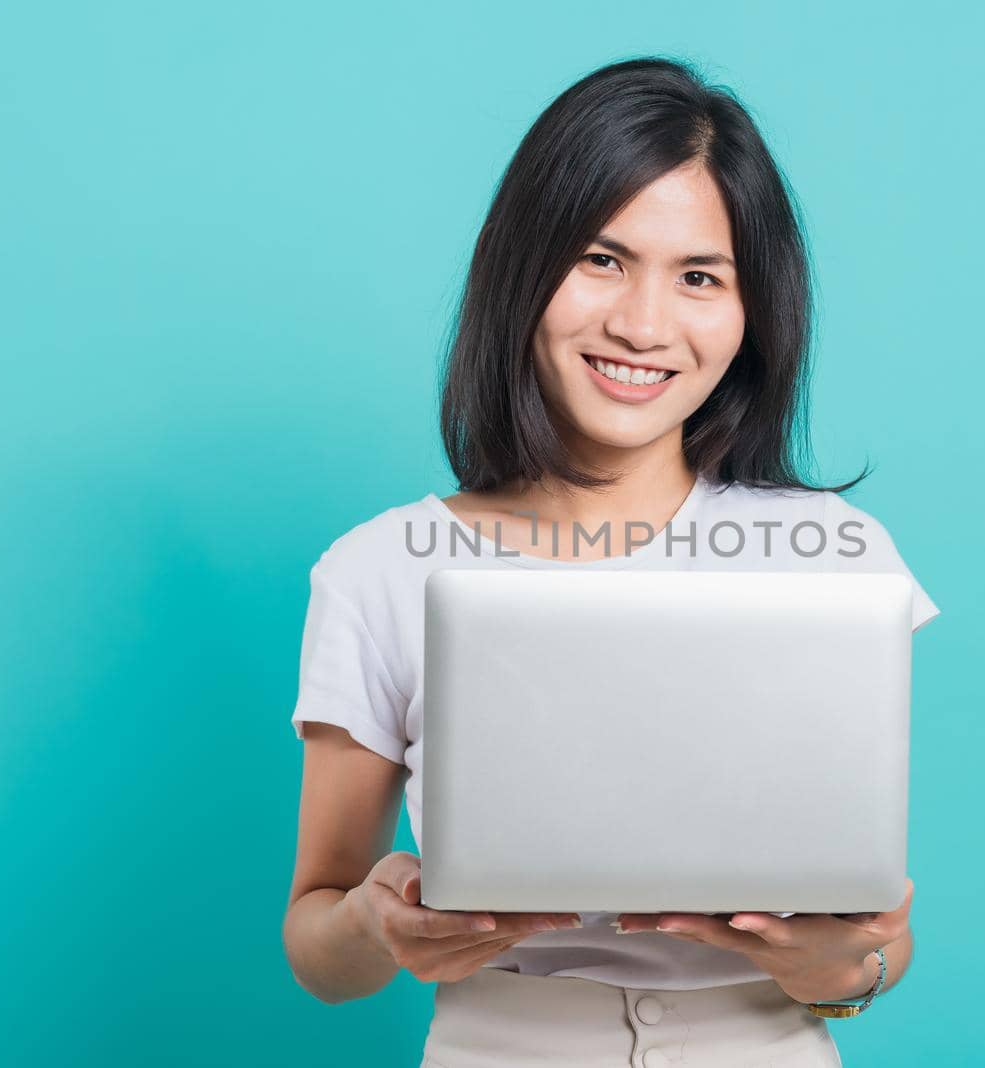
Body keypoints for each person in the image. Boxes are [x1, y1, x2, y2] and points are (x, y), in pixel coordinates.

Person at [281, 56, 941, 1067]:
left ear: (751, 311)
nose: (641, 324)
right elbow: (318, 950)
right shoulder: (378, 569)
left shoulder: (835, 555)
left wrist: (841, 975)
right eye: (600, 258)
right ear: (525, 265)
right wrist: (376, 923)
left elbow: (877, 941)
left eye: (699, 278)